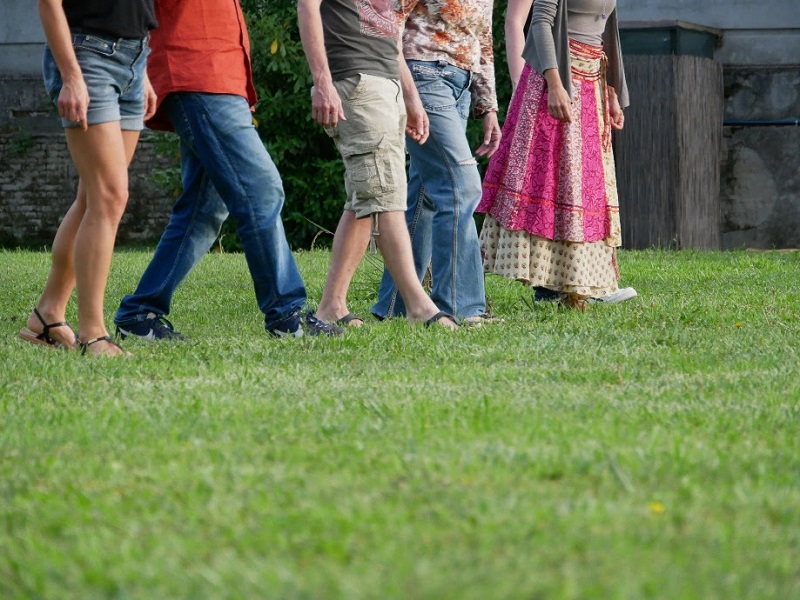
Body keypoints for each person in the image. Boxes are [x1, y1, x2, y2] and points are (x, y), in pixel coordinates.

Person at [113, 0, 341, 340]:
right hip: (197, 69)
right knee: (260, 190)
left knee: (204, 209)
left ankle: (139, 315)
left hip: (219, 73)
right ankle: (286, 315)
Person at [297, 0, 458, 330]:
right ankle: (418, 306)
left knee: (366, 198)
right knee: (387, 197)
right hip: (356, 81)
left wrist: (411, 98)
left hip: (387, 85)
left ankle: (331, 305)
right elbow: (307, 6)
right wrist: (323, 82)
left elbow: (390, 32)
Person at [477, 0, 637, 309]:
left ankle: (579, 285)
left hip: (592, 81)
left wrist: (613, 91)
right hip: (558, 81)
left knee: (586, 189)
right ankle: (467, 283)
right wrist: (554, 83)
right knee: (548, 183)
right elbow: (538, 23)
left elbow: (607, 27)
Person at [18, 0, 157, 357]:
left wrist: (142, 73)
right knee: (110, 197)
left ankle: (47, 314)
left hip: (134, 58)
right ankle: (93, 334)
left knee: (92, 199)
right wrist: (71, 75)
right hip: (87, 57)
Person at [369, 0, 502, 325]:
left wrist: (488, 107)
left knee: (428, 196)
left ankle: (396, 306)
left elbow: (482, 37)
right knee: (461, 188)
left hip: (461, 85)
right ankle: (460, 307)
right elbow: (386, 21)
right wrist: (409, 95)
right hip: (423, 77)